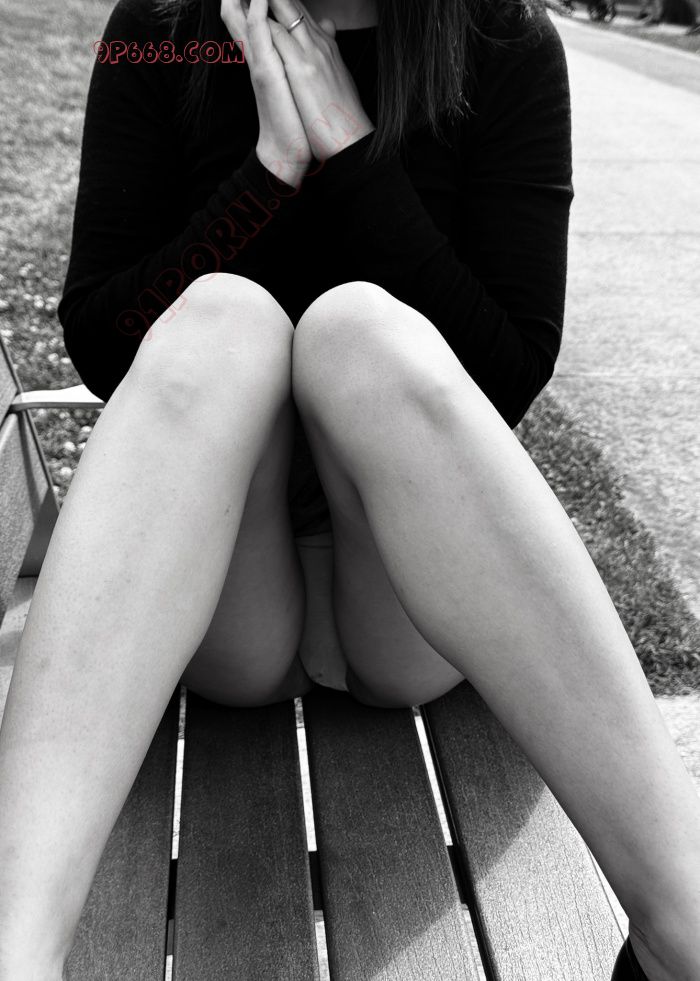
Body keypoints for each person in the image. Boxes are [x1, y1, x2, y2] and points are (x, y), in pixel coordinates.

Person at [0, 0, 698, 977]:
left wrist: (355, 154)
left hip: (410, 596)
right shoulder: (163, 29)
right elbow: (106, 343)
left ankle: (683, 930)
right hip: (223, 588)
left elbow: (505, 371)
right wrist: (269, 171)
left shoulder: (499, 40)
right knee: (221, 320)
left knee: (358, 333)